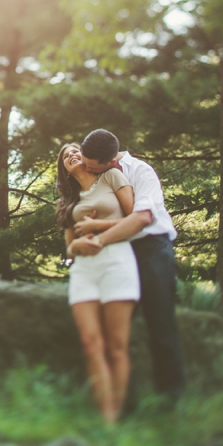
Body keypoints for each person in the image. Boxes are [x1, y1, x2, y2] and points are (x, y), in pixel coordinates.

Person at [70, 129, 186, 408]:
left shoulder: (142, 172)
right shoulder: (93, 174)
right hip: (118, 253)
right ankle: (124, 404)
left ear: (110, 162)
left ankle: (172, 400)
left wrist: (98, 237)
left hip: (151, 249)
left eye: (91, 165)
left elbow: (142, 217)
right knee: (115, 332)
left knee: (160, 321)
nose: (86, 167)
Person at [56, 142, 140, 424]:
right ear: (64, 169)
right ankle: (107, 420)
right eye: (66, 156)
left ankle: (116, 414)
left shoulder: (112, 177)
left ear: (88, 156)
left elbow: (134, 216)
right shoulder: (69, 200)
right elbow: (69, 249)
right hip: (84, 269)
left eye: (76, 150)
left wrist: (96, 227)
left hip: (117, 260)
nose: (72, 155)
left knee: (117, 345)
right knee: (91, 344)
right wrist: (78, 242)